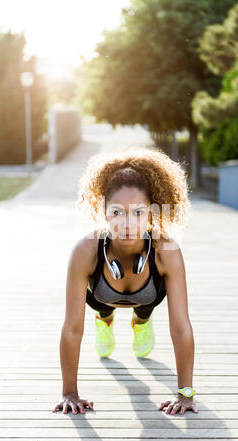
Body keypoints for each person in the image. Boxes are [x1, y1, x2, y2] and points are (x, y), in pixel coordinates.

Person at [52, 147, 198, 417]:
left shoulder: (167, 251)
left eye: (138, 212)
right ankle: (104, 321)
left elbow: (180, 327)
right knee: (102, 308)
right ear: (104, 211)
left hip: (148, 296)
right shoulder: (85, 250)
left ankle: (141, 322)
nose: (128, 223)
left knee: (143, 307)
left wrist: (185, 393)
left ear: (152, 213)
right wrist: (69, 392)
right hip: (100, 295)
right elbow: (72, 329)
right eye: (117, 212)